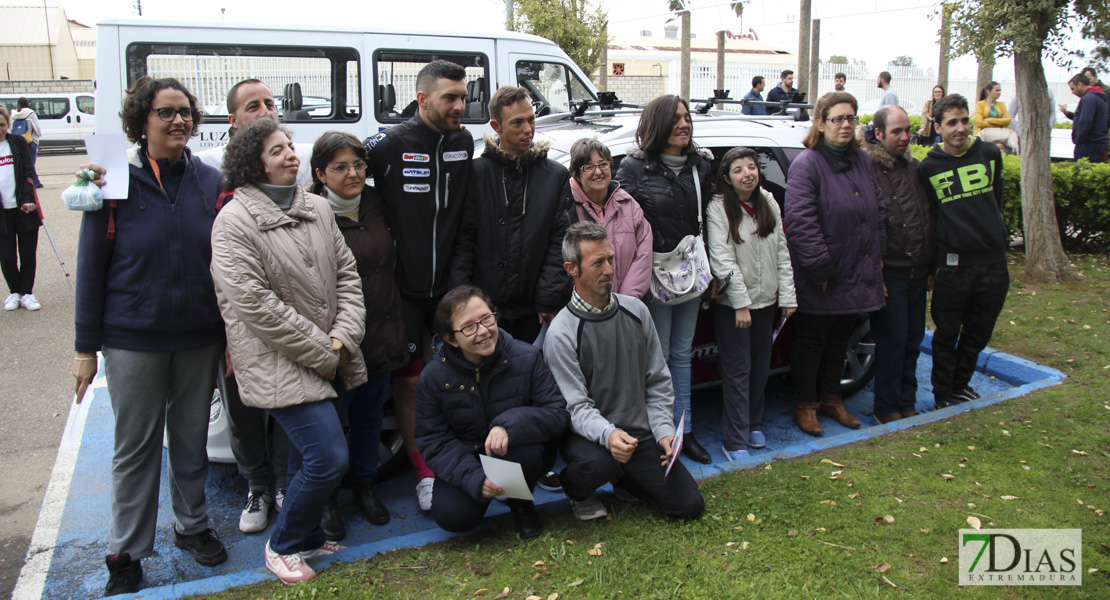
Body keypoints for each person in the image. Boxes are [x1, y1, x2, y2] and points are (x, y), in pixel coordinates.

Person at [70, 77, 227, 596]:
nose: (179, 120)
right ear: (143, 120)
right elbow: (91, 267)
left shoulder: (209, 180)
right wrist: (83, 348)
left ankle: (193, 526)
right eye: (166, 112)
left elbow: (226, 265)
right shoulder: (112, 178)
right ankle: (128, 552)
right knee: (135, 448)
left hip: (199, 337)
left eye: (185, 112)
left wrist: (228, 335)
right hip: (132, 338)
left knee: (190, 442)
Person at [211, 118, 368, 584]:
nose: (290, 155)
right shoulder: (232, 223)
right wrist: (328, 350)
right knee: (327, 458)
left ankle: (301, 538)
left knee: (304, 458)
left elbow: (348, 277)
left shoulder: (316, 208)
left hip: (329, 353)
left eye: (289, 146)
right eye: (277, 150)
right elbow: (257, 308)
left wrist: (343, 336)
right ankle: (282, 545)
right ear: (251, 163)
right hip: (279, 362)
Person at [363, 59, 474, 511]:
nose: (460, 106)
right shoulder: (388, 144)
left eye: (464, 97)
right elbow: (336, 172)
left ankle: (460, 460)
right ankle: (424, 473)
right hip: (401, 293)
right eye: (450, 97)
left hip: (450, 291)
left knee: (461, 380)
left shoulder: (465, 143)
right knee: (408, 386)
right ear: (423, 98)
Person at [544, 222, 705, 522]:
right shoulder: (561, 333)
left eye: (611, 259)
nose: (609, 270)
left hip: (639, 436)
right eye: (597, 263)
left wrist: (664, 432)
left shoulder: (636, 311)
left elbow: (657, 380)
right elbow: (576, 407)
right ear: (572, 269)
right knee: (598, 463)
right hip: (590, 437)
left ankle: (625, 479)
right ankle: (576, 489)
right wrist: (608, 434)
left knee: (688, 507)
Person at [309, 131, 409, 532]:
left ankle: (366, 486)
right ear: (320, 173)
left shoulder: (377, 203)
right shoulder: (310, 213)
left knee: (369, 417)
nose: (352, 174)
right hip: (339, 339)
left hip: (383, 329)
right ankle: (327, 498)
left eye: (358, 165)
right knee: (334, 422)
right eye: (340, 167)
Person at [415, 285, 569, 538]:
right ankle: (488, 492)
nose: (483, 331)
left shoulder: (526, 357)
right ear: (450, 339)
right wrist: (474, 478)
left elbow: (557, 413)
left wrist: (508, 424)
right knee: (454, 517)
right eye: (469, 327)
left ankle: (520, 503)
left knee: (528, 454)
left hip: (514, 451)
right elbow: (433, 439)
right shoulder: (433, 377)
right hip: (467, 457)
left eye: (487, 319)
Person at [615, 94, 714, 465]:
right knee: (655, 360)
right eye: (675, 119)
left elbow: (713, 219)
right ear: (656, 124)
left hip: (690, 275)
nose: (684, 125)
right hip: (652, 278)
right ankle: (659, 435)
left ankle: (683, 431)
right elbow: (624, 228)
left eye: (687, 118)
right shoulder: (632, 168)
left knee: (682, 354)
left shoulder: (701, 166)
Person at [783, 91, 885, 437]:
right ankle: (806, 404)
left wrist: (877, 259)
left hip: (857, 267)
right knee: (812, 342)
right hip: (822, 274)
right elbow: (800, 221)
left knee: (841, 337)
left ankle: (832, 398)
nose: (845, 125)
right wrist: (820, 269)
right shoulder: (807, 164)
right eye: (837, 118)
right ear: (820, 123)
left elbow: (877, 211)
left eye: (851, 118)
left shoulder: (863, 161)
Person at [451, 85, 570, 344]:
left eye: (531, 120)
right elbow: (463, 241)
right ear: (497, 126)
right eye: (517, 123)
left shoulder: (555, 176)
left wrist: (549, 295)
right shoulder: (476, 174)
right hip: (483, 310)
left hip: (535, 309)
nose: (528, 129)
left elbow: (560, 241)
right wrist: (464, 299)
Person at [918, 94, 1009, 409]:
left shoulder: (990, 154)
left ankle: (960, 386)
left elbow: (995, 201)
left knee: (978, 334)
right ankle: (943, 394)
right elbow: (930, 220)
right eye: (952, 122)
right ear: (939, 127)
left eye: (965, 120)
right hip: (953, 269)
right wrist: (932, 268)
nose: (960, 128)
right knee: (946, 335)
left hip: (994, 266)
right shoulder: (927, 168)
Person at [706, 147, 796, 459]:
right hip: (734, 306)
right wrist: (740, 303)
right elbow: (721, 257)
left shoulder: (768, 200)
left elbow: (781, 251)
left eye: (752, 167)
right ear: (727, 179)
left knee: (760, 367)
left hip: (767, 300)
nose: (748, 174)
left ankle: (753, 423)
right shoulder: (718, 207)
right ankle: (734, 440)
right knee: (737, 370)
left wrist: (787, 296)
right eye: (739, 170)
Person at [861, 106, 934, 424]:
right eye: (897, 132)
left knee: (912, 341)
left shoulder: (916, 168)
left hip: (918, 272)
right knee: (891, 343)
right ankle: (887, 407)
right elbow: (867, 225)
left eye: (908, 131)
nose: (905, 137)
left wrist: (930, 266)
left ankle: (907, 400)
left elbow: (925, 218)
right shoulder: (867, 171)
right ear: (879, 134)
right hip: (889, 274)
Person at [568, 137, 652, 298]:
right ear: (577, 174)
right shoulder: (566, 206)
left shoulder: (628, 204)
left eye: (603, 164)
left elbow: (644, 254)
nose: (598, 171)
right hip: (583, 305)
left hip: (626, 303)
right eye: (589, 167)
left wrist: (626, 300)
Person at [195, 78, 313, 186]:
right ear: (233, 120)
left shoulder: (305, 156)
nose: (265, 112)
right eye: (253, 107)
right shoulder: (208, 162)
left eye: (269, 105)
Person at [0, 105, 42, 312]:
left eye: (2, 124)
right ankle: (14, 292)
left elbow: (28, 172)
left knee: (28, 254)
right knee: (7, 258)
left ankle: (27, 292)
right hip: (2, 212)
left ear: (7, 124)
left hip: (23, 208)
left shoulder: (16, 142)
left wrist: (27, 199)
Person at [1058, 74, 1108, 163]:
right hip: (1097, 143)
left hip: (1088, 144)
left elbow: (1085, 121)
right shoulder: (1099, 97)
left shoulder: (1089, 98)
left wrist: (1079, 140)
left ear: (1080, 85)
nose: (1072, 92)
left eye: (1073, 89)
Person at [974, 81, 1018, 153]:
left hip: (999, 134)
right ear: (989, 91)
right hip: (984, 133)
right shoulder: (980, 104)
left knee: (1013, 136)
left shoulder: (1001, 105)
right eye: (997, 90)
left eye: (1000, 90)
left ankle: (1015, 153)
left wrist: (990, 120)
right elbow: (979, 123)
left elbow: (1008, 120)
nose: (999, 92)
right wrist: (1000, 121)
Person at [11, 98, 42, 188]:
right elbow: (36, 127)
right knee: (31, 162)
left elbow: (11, 127)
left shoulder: (13, 114)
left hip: (18, 140)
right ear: (27, 103)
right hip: (30, 140)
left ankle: (28, 181)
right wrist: (38, 136)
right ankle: (35, 182)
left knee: (22, 162)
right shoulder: (31, 113)